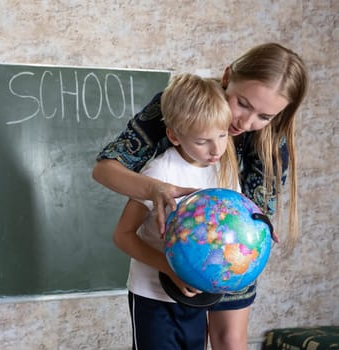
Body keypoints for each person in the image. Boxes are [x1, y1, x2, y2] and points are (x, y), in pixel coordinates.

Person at [94, 43, 308, 349]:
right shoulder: (183, 106)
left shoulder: (274, 143)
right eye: (242, 103)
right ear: (227, 77)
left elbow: (255, 211)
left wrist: (257, 226)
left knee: (229, 339)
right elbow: (105, 170)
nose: (245, 124)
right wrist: (154, 189)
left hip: (228, 252)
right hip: (166, 275)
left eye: (264, 116)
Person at [112, 73, 240, 349]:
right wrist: (168, 268)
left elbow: (235, 223)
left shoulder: (225, 171)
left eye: (222, 134)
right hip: (153, 297)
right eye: (202, 141)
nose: (216, 149)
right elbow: (122, 235)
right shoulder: (159, 172)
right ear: (174, 135)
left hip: (197, 295)